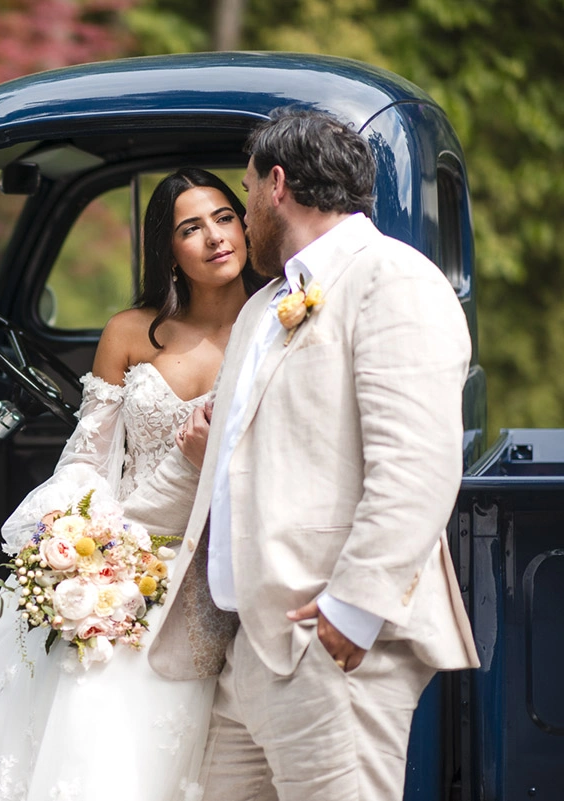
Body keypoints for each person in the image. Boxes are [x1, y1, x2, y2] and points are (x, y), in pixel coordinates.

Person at [123, 108, 480, 801]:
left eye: (246, 193)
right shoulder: (264, 309)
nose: (242, 218)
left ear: (275, 184)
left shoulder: (393, 279)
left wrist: (355, 607)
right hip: (248, 650)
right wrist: (102, 529)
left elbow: (416, 463)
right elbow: (217, 458)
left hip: (330, 642)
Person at [0, 168, 264, 801]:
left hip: (216, 558)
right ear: (168, 251)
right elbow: (87, 456)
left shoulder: (273, 325)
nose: (214, 237)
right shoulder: (129, 331)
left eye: (224, 217)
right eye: (191, 227)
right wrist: (85, 539)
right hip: (121, 547)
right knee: (80, 678)